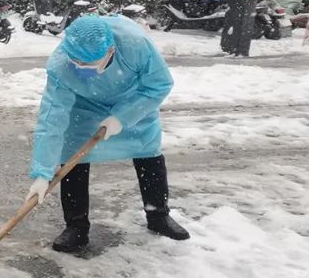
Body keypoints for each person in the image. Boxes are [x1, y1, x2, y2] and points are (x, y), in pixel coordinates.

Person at [26, 15, 190, 253]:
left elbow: (159, 84)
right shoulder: (61, 65)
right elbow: (51, 120)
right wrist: (42, 173)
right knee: (73, 155)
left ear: (110, 51)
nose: (81, 69)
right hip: (84, 106)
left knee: (148, 152)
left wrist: (122, 117)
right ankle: (76, 226)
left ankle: (158, 216)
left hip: (133, 100)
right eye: (76, 63)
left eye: (89, 64)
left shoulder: (136, 45)